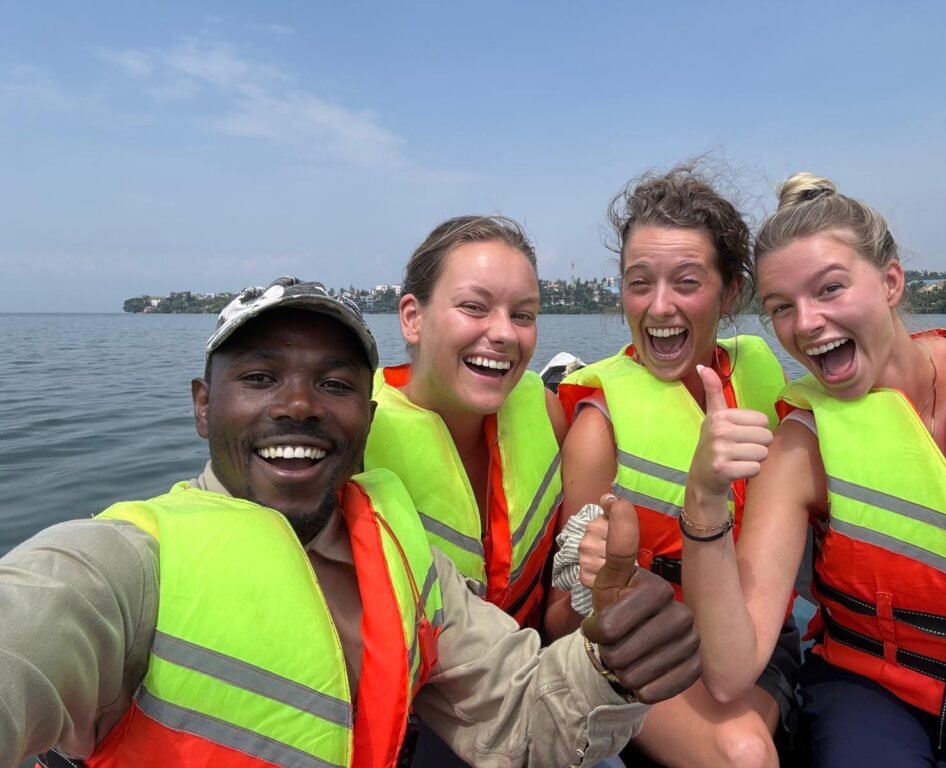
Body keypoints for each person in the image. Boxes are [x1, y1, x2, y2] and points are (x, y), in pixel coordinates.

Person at [0, 277, 703, 768]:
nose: (300, 405)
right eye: (259, 377)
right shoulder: (119, 570)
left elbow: (526, 726)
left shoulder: (403, 561)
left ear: (367, 418)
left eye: (335, 384)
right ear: (202, 407)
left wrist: (612, 664)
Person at [682, 173, 946, 768]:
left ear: (892, 281)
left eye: (830, 290)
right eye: (781, 308)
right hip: (874, 691)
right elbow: (732, 671)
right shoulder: (800, 447)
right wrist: (705, 496)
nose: (807, 322)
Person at [544, 164, 798, 768]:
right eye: (640, 283)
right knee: (742, 754)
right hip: (647, 646)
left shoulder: (762, 378)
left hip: (757, 635)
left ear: (730, 291)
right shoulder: (597, 427)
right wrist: (593, 583)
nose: (660, 306)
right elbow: (557, 620)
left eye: (687, 282)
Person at [364, 216, 566, 629]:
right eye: (474, 307)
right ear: (412, 318)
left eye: (523, 315)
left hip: (532, 663)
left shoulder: (546, 412)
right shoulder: (357, 438)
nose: (505, 333)